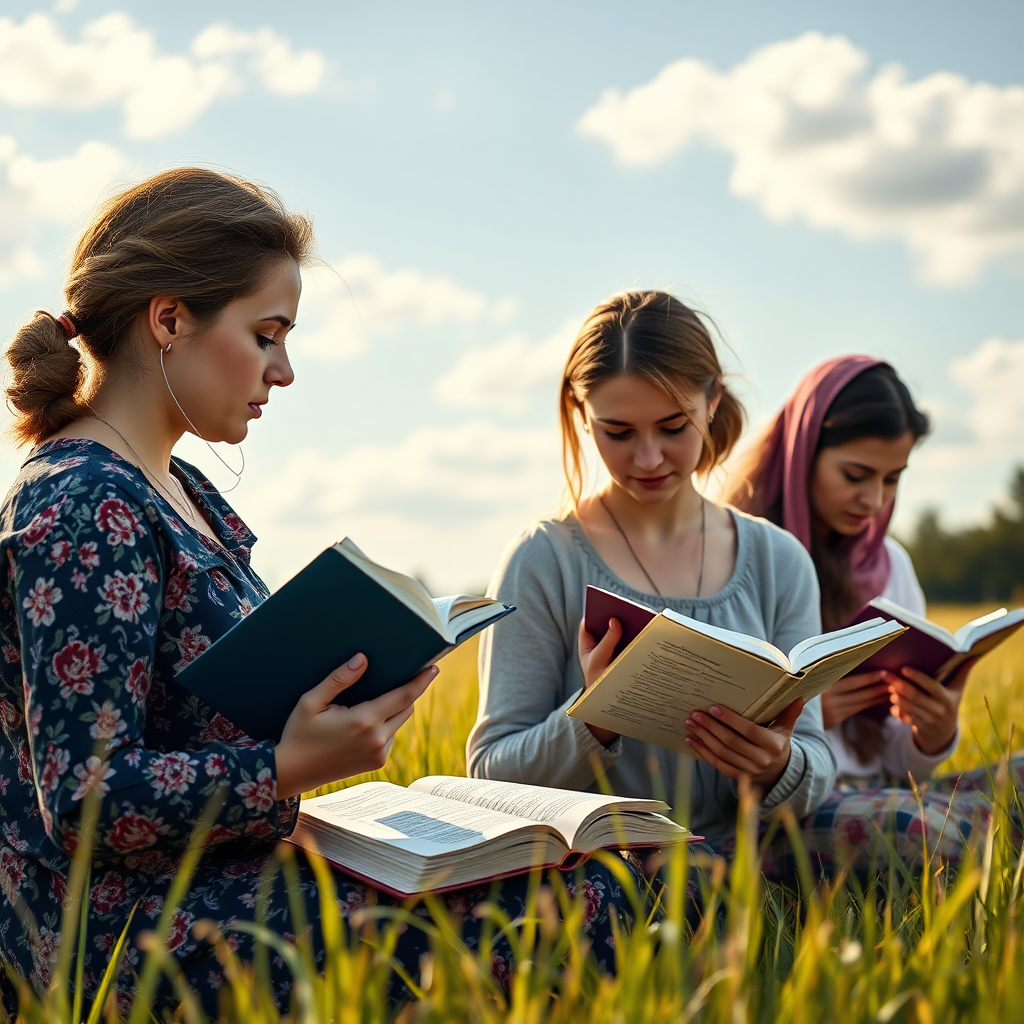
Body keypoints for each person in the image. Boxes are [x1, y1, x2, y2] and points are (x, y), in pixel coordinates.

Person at [0, 168, 638, 1016]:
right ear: (168, 320)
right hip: (121, 935)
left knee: (636, 867)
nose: (285, 370)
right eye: (266, 335)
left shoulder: (177, 488)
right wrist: (288, 766)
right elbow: (85, 801)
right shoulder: (85, 502)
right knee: (582, 904)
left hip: (218, 878)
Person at [468, 290, 836, 859]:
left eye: (672, 427)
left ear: (713, 397)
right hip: (603, 866)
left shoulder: (777, 560)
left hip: (752, 858)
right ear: (579, 414)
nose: (647, 459)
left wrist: (779, 763)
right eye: (618, 433)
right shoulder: (544, 559)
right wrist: (594, 718)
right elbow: (489, 775)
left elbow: (815, 762)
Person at [728, 355, 1024, 874]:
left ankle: (980, 831)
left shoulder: (892, 565)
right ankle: (983, 835)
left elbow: (898, 763)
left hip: (889, 793)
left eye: (893, 479)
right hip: (792, 810)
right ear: (803, 454)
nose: (874, 499)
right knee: (927, 832)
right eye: (856, 474)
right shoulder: (741, 558)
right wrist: (812, 718)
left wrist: (933, 732)